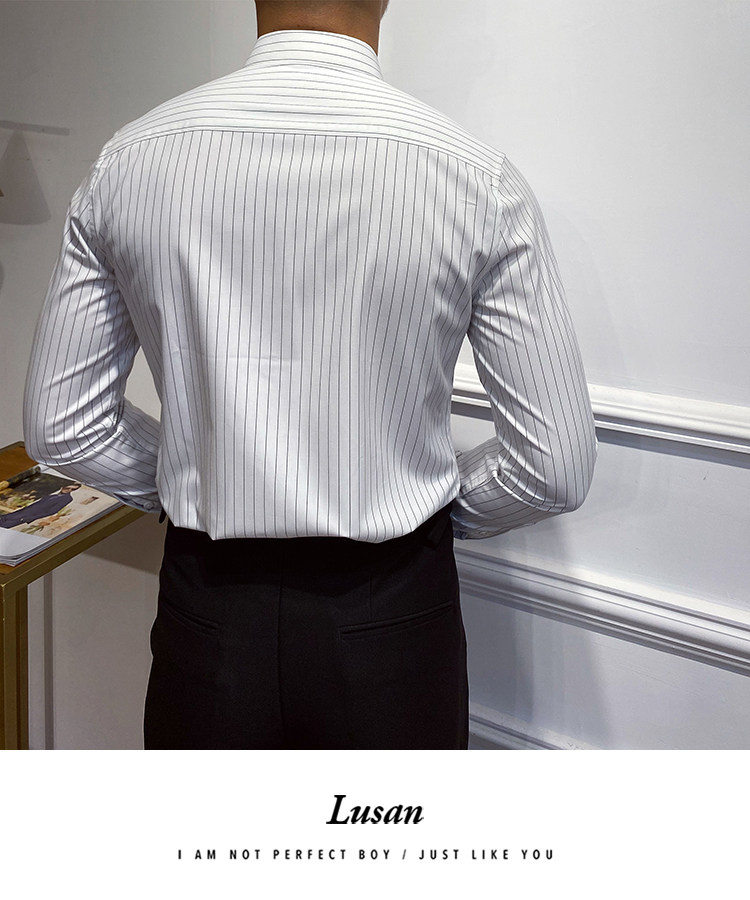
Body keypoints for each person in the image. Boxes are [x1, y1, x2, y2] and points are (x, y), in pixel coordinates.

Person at [23, 0, 598, 749]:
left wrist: (197, 477)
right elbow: (553, 468)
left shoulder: (129, 163)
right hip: (395, 614)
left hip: (209, 613)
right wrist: (421, 512)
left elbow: (66, 427)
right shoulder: (478, 180)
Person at [0, 483, 81, 529]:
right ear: (63, 486)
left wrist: (31, 518)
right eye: (68, 487)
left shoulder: (67, 498)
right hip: (22, 511)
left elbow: (52, 511)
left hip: (27, 516)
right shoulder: (53, 495)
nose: (69, 490)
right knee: (3, 518)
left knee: (4, 526)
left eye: (73, 489)